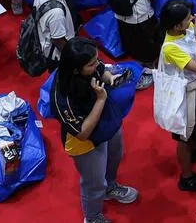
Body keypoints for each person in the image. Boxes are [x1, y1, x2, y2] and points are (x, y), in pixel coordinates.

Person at [50, 37, 140, 221]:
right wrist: (100, 99)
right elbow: (82, 133)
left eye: (97, 59)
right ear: (76, 69)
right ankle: (92, 216)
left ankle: (111, 188)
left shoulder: (89, 64)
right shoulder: (62, 99)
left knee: (115, 157)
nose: (97, 64)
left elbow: (100, 70)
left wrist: (110, 78)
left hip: (106, 122)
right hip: (84, 142)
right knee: (94, 182)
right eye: (91, 64)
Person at [157, 0, 196, 193]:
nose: (192, 20)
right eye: (188, 18)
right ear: (176, 25)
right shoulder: (170, 48)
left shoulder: (184, 27)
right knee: (184, 135)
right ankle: (187, 178)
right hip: (183, 98)